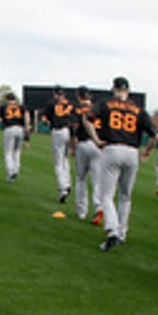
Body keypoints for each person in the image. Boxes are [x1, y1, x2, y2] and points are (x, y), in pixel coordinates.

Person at [94, 77, 156, 251]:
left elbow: (87, 118)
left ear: (114, 89)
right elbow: (154, 135)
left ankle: (112, 230)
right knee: (125, 196)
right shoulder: (138, 109)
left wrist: (96, 140)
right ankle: (122, 233)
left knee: (106, 195)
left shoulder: (106, 103)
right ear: (128, 90)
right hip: (132, 152)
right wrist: (147, 151)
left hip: (112, 148)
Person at [70, 86, 104, 222]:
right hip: (99, 145)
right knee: (97, 180)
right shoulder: (98, 108)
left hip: (83, 144)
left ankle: (81, 211)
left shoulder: (77, 110)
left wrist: (72, 148)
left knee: (81, 179)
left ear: (79, 96)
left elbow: (73, 131)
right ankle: (99, 207)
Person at [42, 87, 75, 202]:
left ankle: (63, 188)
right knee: (65, 159)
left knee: (58, 162)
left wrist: (47, 122)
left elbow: (45, 119)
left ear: (55, 94)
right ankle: (68, 182)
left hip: (58, 131)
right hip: (69, 131)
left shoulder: (51, 103)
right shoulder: (71, 104)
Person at [0, 92, 30, 182]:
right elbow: (27, 121)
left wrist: (5, 121)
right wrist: (27, 139)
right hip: (20, 129)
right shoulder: (22, 107)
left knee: (8, 152)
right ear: (15, 99)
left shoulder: (3, 107)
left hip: (9, 129)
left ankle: (10, 172)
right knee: (17, 151)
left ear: (7, 99)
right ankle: (16, 170)